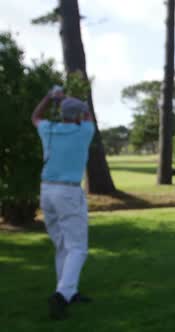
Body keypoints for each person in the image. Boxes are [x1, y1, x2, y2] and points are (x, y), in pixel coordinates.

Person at [31, 87, 95, 320]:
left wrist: (50, 97)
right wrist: (67, 99)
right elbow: (87, 113)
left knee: (62, 245)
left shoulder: (48, 129)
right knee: (77, 248)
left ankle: (70, 291)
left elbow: (35, 117)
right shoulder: (84, 131)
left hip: (46, 190)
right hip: (68, 193)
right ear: (77, 115)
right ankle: (61, 295)